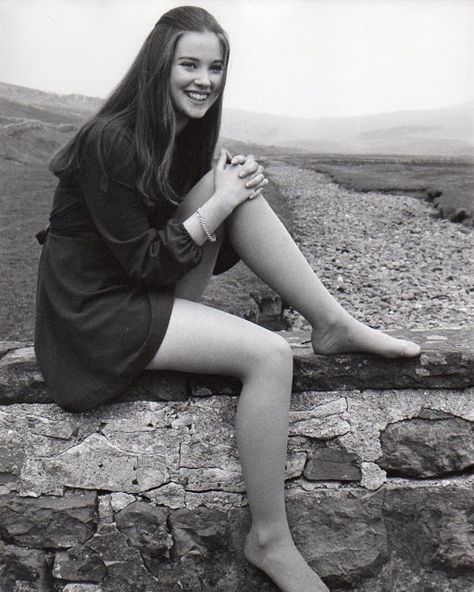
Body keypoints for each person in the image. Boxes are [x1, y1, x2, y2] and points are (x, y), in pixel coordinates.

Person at [35, 6, 420, 592]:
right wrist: (219, 204)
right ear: (158, 67)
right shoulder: (109, 140)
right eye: (189, 64)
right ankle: (270, 540)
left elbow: (205, 249)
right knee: (269, 354)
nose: (204, 80)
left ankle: (332, 320)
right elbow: (145, 260)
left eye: (215, 68)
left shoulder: (182, 136)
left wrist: (230, 194)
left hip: (135, 289)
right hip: (93, 314)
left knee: (232, 189)